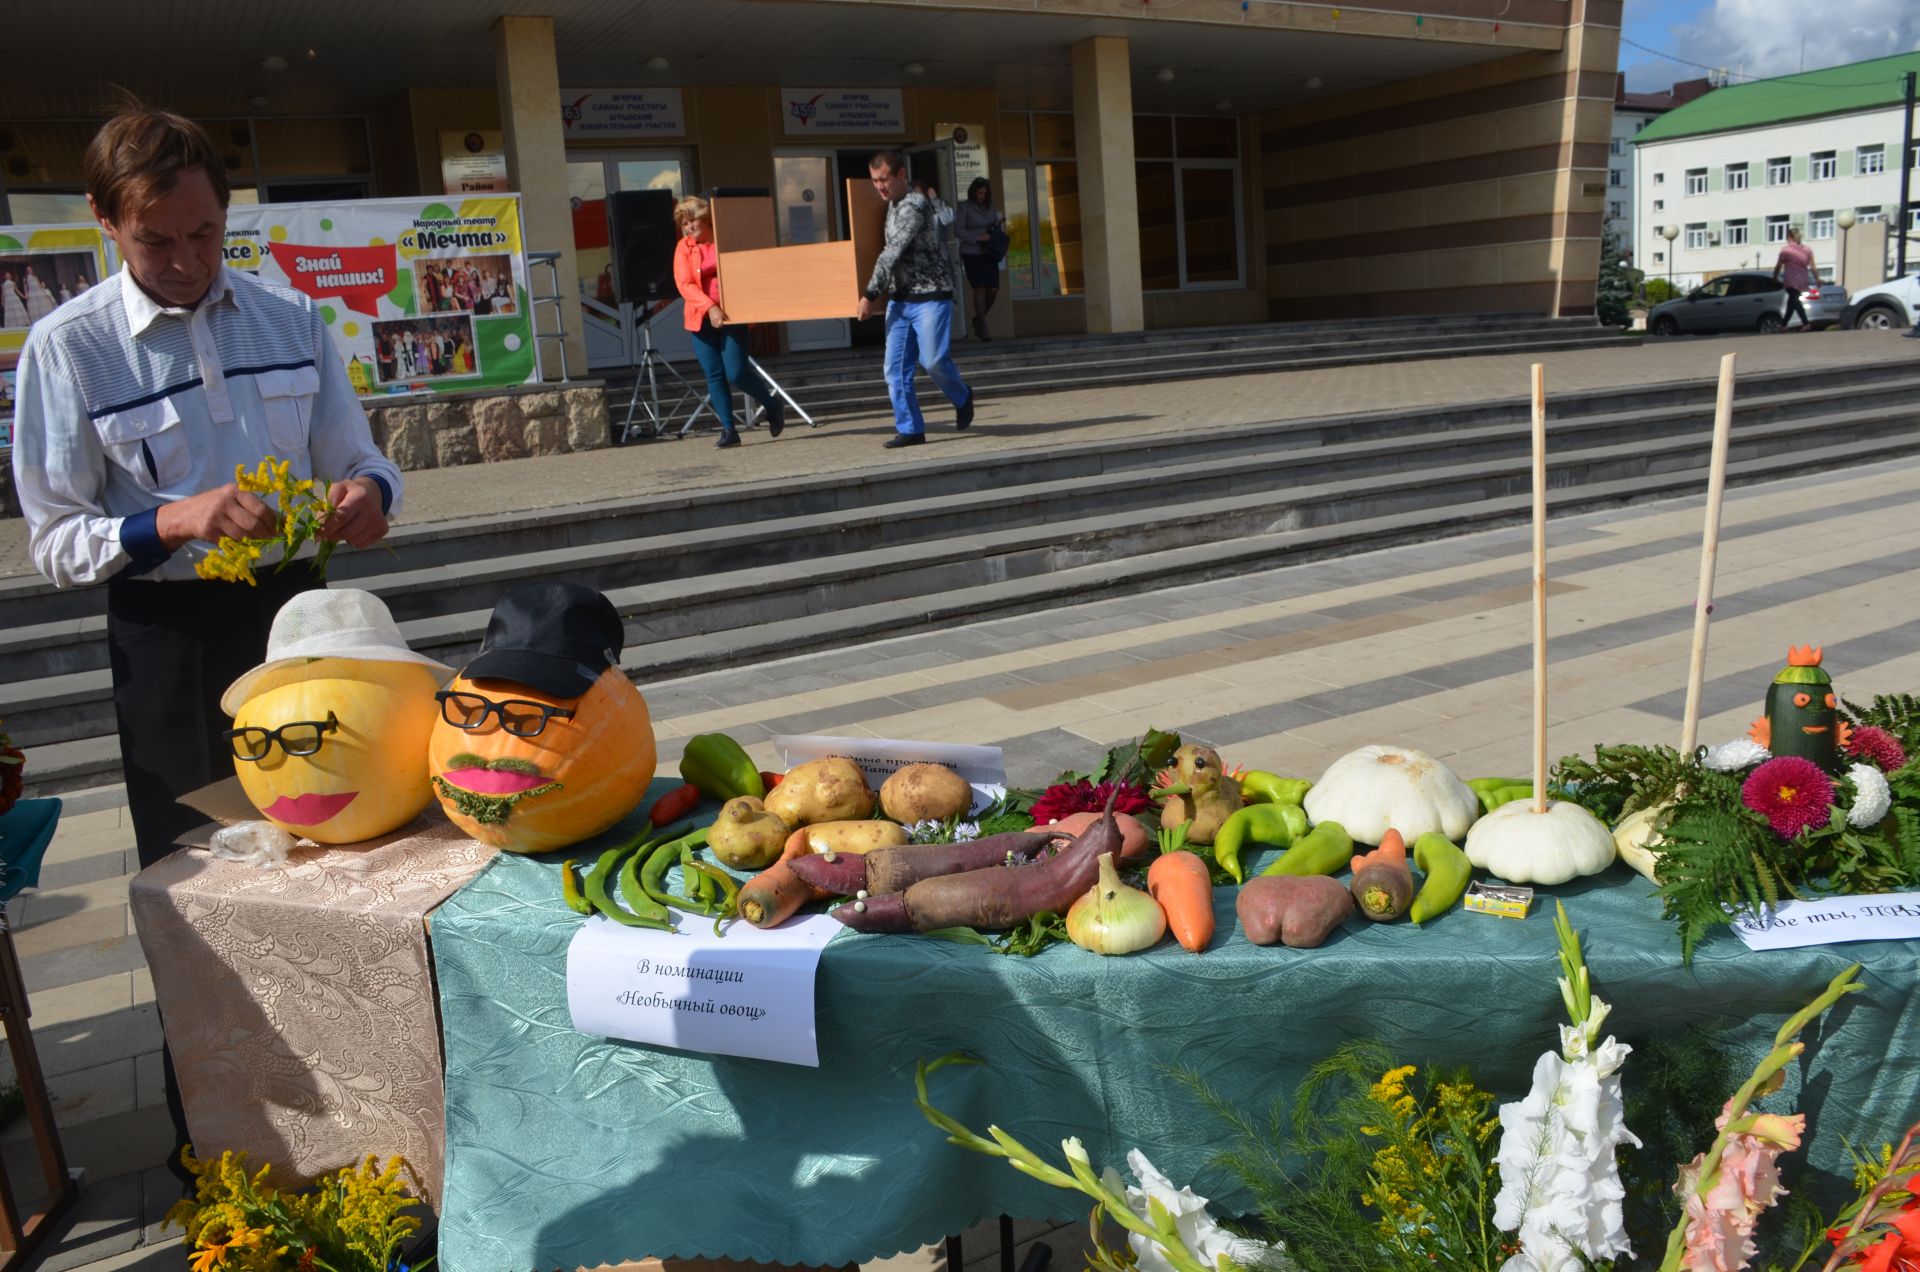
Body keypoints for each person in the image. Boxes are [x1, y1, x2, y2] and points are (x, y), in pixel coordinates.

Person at [9, 103, 401, 1178]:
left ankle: (366, 1111)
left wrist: (368, 493)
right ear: (104, 222)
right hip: (171, 639)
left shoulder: (291, 320)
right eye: (155, 242)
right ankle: (226, 1142)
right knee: (206, 895)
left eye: (202, 237)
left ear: (227, 216)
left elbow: (357, 455)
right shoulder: (68, 346)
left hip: (302, 622)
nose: (183, 263)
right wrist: (170, 519)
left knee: (341, 861)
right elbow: (53, 540)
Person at [858, 149, 975, 449]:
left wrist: (870, 293)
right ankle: (911, 429)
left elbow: (893, 250)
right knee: (894, 370)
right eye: (874, 181)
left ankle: (962, 396)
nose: (879, 186)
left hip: (930, 297)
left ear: (900, 175)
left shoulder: (915, 204)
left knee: (933, 359)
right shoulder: (891, 205)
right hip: (901, 300)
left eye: (884, 179)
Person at [671, 194, 784, 448]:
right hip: (701, 317)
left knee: (736, 371)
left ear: (705, 219)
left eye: (692, 221)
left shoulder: (724, 239)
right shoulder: (684, 247)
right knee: (714, 374)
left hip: (734, 314)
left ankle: (772, 404)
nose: (689, 228)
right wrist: (710, 307)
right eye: (684, 224)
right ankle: (729, 430)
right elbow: (685, 284)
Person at [954, 177, 1005, 342]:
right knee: (980, 288)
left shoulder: (989, 208)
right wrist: (978, 237)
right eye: (980, 193)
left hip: (989, 253)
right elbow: (958, 231)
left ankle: (978, 319)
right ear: (973, 192)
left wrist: (996, 225)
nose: (982, 196)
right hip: (971, 253)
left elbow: (992, 225)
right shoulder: (964, 207)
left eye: (985, 193)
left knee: (994, 289)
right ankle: (983, 326)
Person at [1772, 226, 1816, 333]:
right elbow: (1812, 266)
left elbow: (1778, 265)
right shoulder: (1807, 250)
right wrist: (1817, 277)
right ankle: (1784, 325)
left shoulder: (1786, 250)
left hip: (1791, 280)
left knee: (1794, 301)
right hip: (1802, 279)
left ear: (1789, 237)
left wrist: (1775, 277)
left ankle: (1805, 324)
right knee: (1792, 302)